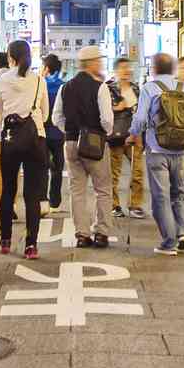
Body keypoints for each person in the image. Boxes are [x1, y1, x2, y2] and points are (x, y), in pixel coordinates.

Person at [0, 39, 52, 257]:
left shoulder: (2, 80)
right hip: (36, 140)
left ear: (10, 58)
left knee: (8, 190)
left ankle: (5, 241)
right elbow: (45, 114)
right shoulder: (38, 81)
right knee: (32, 195)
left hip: (10, 140)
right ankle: (31, 245)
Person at [134, 52, 184, 255]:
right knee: (178, 192)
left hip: (157, 149)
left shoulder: (150, 88)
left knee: (160, 196)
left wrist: (132, 134)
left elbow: (141, 119)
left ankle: (169, 241)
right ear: (173, 69)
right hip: (181, 149)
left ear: (154, 69)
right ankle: (182, 232)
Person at [55, 45, 117, 247]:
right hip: (95, 142)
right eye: (99, 60)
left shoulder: (65, 87)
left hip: (71, 143)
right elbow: (107, 120)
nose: (101, 63)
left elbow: (57, 117)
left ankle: (82, 235)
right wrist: (100, 134)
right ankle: (101, 233)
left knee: (77, 190)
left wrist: (71, 131)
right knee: (103, 189)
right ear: (92, 63)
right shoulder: (100, 87)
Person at [109, 57, 143, 218]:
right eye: (122, 67)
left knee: (138, 172)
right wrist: (117, 108)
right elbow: (102, 111)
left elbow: (142, 112)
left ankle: (135, 205)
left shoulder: (136, 89)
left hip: (135, 136)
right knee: (113, 173)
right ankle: (114, 205)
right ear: (116, 70)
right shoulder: (109, 89)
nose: (126, 70)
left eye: (128, 67)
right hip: (116, 136)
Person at [41, 53, 67, 210]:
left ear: (46, 68)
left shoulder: (40, 84)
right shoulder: (63, 86)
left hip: (42, 132)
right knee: (57, 167)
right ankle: (55, 201)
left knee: (41, 166)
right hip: (58, 132)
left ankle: (42, 198)